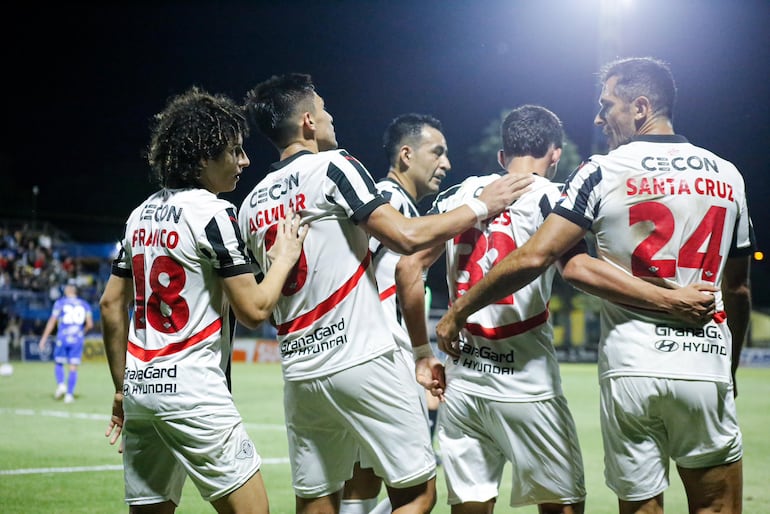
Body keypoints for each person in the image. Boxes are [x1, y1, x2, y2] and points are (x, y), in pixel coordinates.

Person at [435, 57, 753, 514]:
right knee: (717, 505)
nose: (599, 117)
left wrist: (456, 311)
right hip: (705, 361)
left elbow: (553, 260)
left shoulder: (601, 170)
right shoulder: (727, 174)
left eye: (607, 105)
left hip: (631, 365)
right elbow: (737, 289)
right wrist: (731, 364)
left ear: (640, 106)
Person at [238, 73, 532, 514]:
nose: (331, 115)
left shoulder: (251, 204)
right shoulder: (335, 166)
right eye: (323, 108)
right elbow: (406, 239)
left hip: (299, 369)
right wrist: (480, 206)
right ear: (307, 122)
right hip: (362, 356)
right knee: (416, 493)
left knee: (319, 500)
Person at [99, 86, 308, 514]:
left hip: (141, 390)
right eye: (234, 152)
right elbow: (254, 311)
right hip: (194, 391)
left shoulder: (138, 215)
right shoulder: (214, 213)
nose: (244, 162)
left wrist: (122, 389)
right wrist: (285, 258)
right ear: (202, 158)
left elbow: (109, 304)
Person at [341, 113, 450, 514]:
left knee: (362, 479)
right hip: (387, 357)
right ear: (407, 155)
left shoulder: (378, 202)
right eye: (437, 152)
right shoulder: (391, 204)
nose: (446, 164)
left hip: (355, 354)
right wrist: (421, 351)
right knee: (421, 493)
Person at [38, 282, 93, 403]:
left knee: (58, 362)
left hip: (62, 337)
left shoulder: (60, 303)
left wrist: (43, 338)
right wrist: (81, 333)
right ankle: (69, 395)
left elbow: (52, 321)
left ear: (69, 290)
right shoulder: (85, 305)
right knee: (73, 366)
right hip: (77, 338)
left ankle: (61, 384)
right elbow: (90, 324)